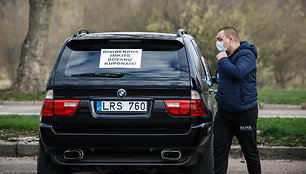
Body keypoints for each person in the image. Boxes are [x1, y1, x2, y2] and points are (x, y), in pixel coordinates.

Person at [213, 26, 261, 174]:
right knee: (219, 152)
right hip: (224, 114)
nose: (218, 43)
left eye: (220, 39)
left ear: (230, 39)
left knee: (250, 152)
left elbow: (238, 72)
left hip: (244, 112)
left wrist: (223, 60)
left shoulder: (247, 55)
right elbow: (224, 78)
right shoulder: (226, 57)